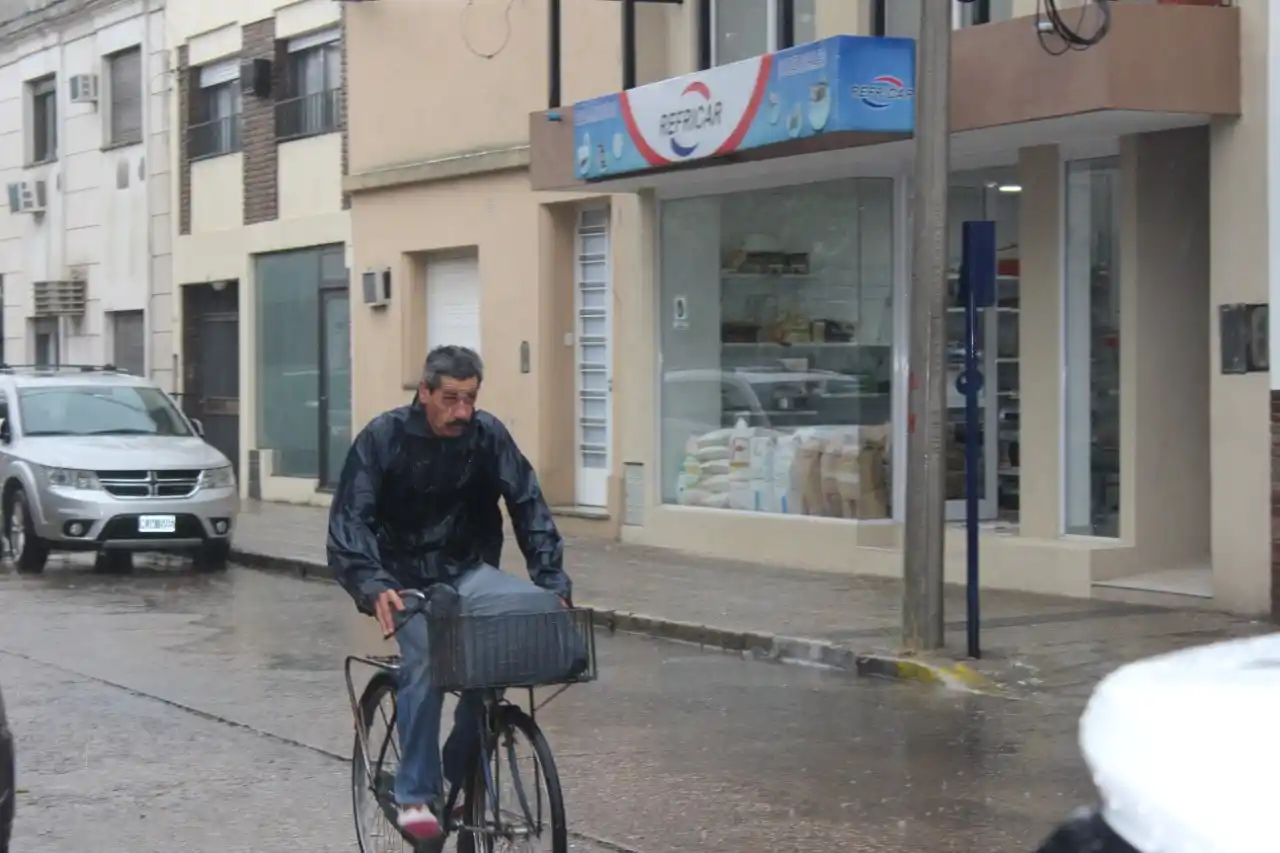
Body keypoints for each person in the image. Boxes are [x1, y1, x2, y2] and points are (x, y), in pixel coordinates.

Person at [327, 345, 572, 841]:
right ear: (425, 393)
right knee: (428, 658)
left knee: (503, 650)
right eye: (451, 399)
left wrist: (552, 583)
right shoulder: (384, 437)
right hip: (400, 579)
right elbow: (350, 518)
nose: (462, 411)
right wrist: (373, 582)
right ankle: (414, 794)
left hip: (466, 571)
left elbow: (527, 503)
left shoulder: (487, 436)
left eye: (471, 399)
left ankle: (450, 773)